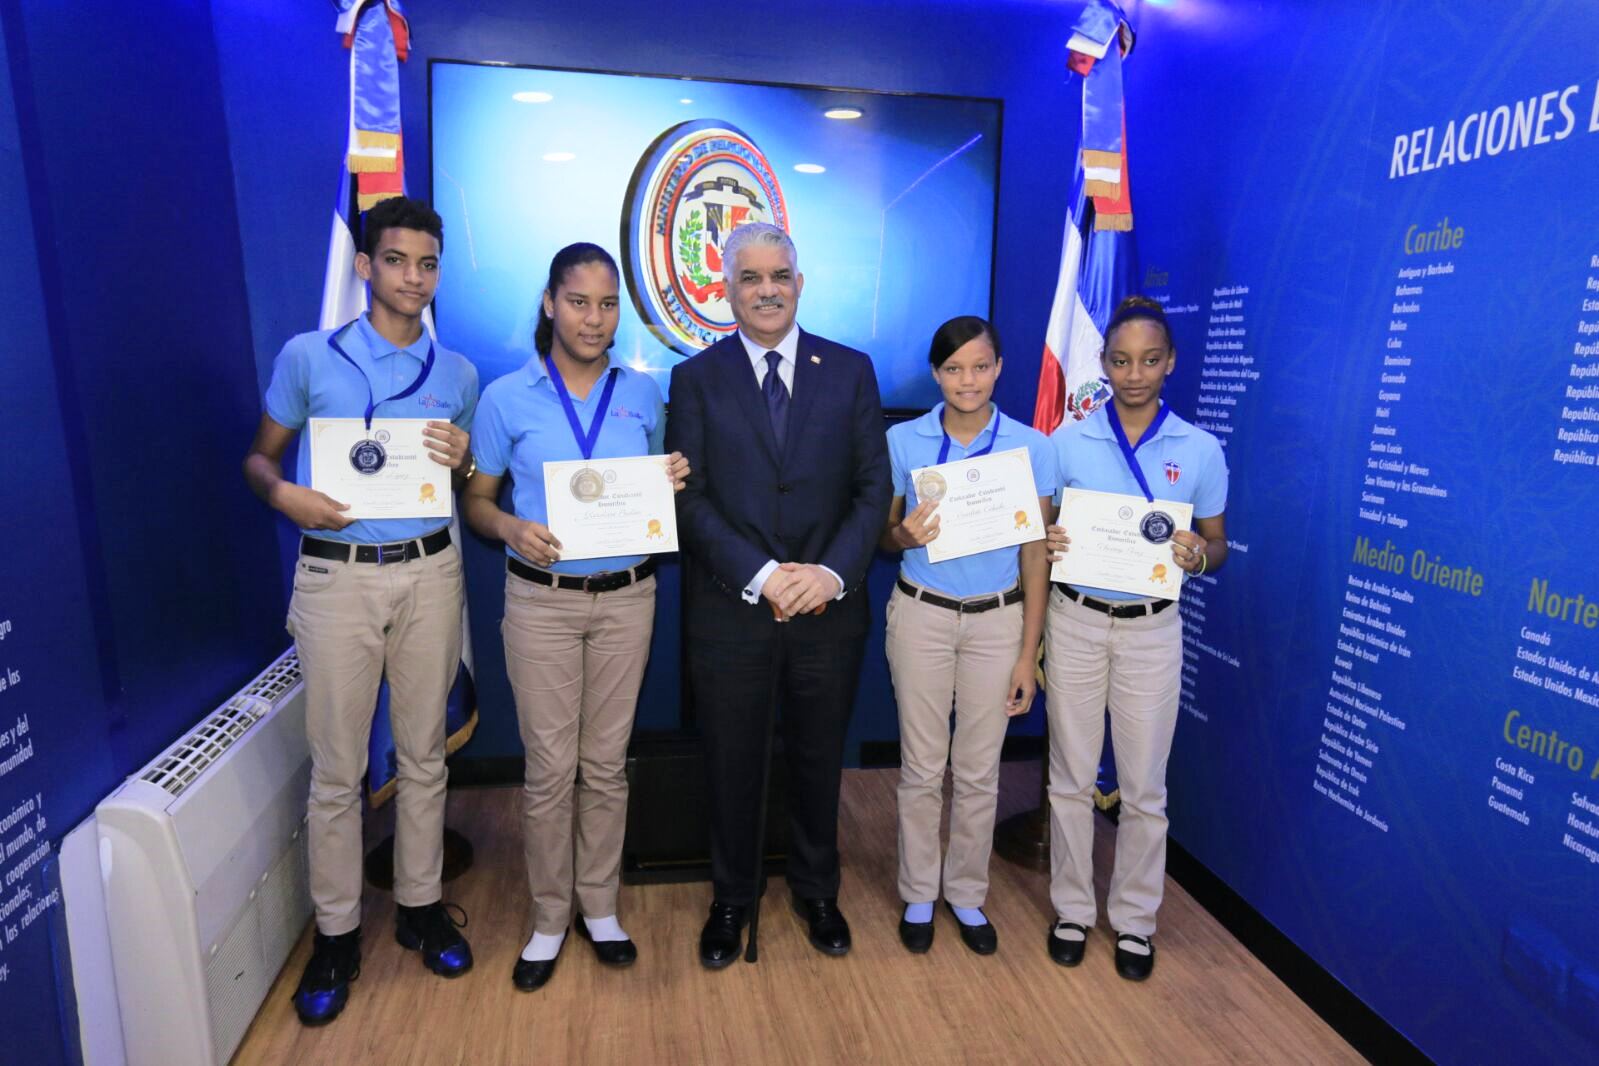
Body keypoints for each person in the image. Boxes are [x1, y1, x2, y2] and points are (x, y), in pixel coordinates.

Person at [243, 196, 478, 1025]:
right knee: (338, 770)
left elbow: (461, 473)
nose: (412, 277)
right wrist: (288, 497)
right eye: (397, 260)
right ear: (365, 266)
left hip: (429, 573)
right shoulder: (310, 355)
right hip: (337, 577)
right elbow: (259, 460)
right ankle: (337, 933)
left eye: (427, 264)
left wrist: (465, 455)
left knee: (423, 756)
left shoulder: (457, 374)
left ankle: (418, 909)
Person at [463, 243, 688, 992]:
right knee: (550, 770)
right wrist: (508, 528)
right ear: (550, 305)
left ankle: (600, 908)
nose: (594, 319)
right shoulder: (505, 398)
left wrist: (672, 483)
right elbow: (477, 501)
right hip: (540, 603)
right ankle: (549, 917)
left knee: (605, 764)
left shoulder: (644, 394)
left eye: (606, 304)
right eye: (580, 302)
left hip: (628, 598)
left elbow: (655, 486)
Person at [666, 222, 892, 967]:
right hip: (731, 611)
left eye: (780, 276)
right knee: (732, 759)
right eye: (751, 278)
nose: (767, 290)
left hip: (829, 609)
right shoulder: (695, 379)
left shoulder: (851, 370)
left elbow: (871, 491)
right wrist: (763, 577)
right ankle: (731, 899)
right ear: (724, 289)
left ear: (799, 283)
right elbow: (688, 500)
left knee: (817, 756)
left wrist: (826, 574)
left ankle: (815, 889)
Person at [1041, 295, 1228, 980]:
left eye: (1149, 360)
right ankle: (1070, 908)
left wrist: (1196, 557)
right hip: (1077, 621)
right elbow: (1040, 528)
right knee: (1068, 776)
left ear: (1169, 362)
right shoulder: (1066, 440)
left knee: (1145, 787)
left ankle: (1135, 921)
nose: (1133, 373)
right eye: (1120, 360)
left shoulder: (1201, 449)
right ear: (1103, 363)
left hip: (1151, 631)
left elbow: (1218, 545)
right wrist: (1050, 536)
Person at [881, 316, 1057, 955]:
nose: (968, 380)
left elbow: (1037, 553)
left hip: (998, 620)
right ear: (936, 374)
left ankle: (967, 895)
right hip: (923, 613)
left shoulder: (1033, 448)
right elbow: (884, 532)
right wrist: (902, 537)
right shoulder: (904, 441)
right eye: (954, 369)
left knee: (980, 770)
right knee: (923, 766)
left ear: (1000, 367)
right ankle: (920, 894)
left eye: (980, 366)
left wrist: (1027, 651)